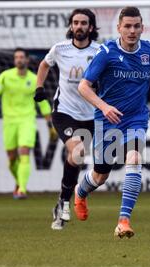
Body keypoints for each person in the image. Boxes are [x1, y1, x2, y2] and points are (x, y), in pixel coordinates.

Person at [75, 6, 150, 238]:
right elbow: (83, 86)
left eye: (136, 26)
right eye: (127, 26)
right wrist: (104, 107)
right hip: (107, 120)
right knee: (100, 175)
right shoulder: (106, 53)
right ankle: (80, 192)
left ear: (142, 28)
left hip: (136, 118)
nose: (132, 30)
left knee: (134, 158)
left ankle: (123, 221)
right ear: (119, 28)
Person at [34, 8, 100, 230]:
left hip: (91, 115)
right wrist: (39, 87)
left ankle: (65, 198)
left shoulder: (101, 51)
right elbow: (44, 64)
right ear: (71, 26)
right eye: (75, 22)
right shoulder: (59, 49)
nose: (79, 26)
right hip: (65, 112)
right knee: (78, 152)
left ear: (91, 27)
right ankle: (63, 203)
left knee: (80, 159)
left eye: (83, 23)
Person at [0, 48, 56, 199]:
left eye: (22, 57)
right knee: (11, 160)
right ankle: (19, 182)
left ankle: (22, 189)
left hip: (27, 120)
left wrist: (50, 124)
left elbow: (42, 103)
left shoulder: (35, 79)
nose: (19, 60)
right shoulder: (5, 77)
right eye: (17, 57)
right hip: (9, 121)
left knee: (24, 153)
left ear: (27, 60)